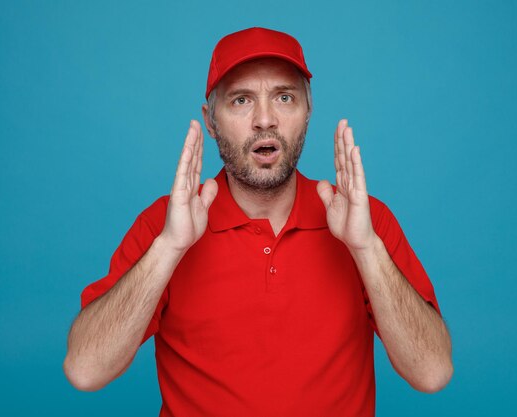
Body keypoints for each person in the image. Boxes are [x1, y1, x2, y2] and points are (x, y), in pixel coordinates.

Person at [63, 27, 453, 416]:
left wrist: (366, 249)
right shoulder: (162, 226)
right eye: (241, 100)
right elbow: (85, 370)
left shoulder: (364, 220)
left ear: (308, 112)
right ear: (211, 120)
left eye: (284, 97)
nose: (265, 120)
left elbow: (432, 373)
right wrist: (170, 247)